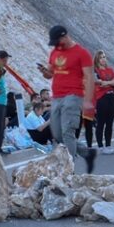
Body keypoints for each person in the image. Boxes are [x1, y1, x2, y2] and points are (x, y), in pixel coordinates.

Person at [37, 26, 97, 172]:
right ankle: (87, 153)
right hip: (56, 96)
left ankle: (70, 170)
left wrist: (88, 100)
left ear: (65, 37)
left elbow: (89, 77)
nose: (56, 45)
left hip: (74, 95)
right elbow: (51, 73)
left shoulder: (82, 53)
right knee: (57, 133)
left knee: (67, 131)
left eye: (57, 41)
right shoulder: (55, 52)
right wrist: (44, 71)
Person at [93, 50, 114, 153]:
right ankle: (100, 145)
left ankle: (108, 145)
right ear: (97, 59)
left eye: (104, 57)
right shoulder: (95, 70)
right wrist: (110, 83)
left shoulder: (110, 70)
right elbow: (98, 82)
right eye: (101, 57)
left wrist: (107, 83)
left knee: (109, 123)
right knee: (101, 123)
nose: (103, 59)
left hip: (111, 98)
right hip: (101, 98)